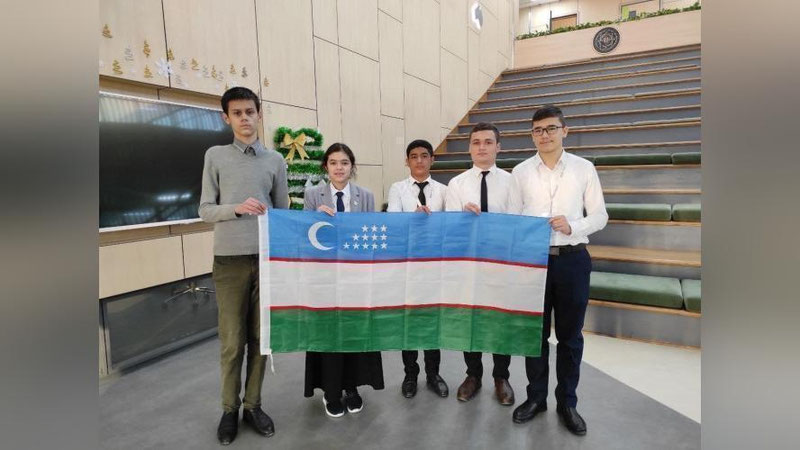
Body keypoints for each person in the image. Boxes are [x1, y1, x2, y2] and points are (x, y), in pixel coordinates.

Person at [510, 105, 608, 436]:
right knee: (534, 335)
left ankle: (568, 403)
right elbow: (512, 218)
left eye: (551, 128)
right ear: (532, 135)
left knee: (570, 337)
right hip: (534, 261)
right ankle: (536, 398)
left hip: (572, 260)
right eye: (538, 130)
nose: (545, 135)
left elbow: (600, 215)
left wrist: (573, 225)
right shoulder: (520, 172)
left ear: (565, 131)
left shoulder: (584, 168)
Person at [198, 87, 289, 445]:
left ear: (259, 114)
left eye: (250, 111)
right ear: (227, 118)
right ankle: (229, 410)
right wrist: (236, 208)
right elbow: (205, 210)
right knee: (232, 342)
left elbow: (282, 213)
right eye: (237, 113)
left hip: (265, 260)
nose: (245, 118)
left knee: (260, 339)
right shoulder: (215, 156)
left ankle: (253, 405)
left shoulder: (275, 160)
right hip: (230, 262)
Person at [303, 143, 385, 418]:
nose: (339, 168)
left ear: (352, 166)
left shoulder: (366, 196)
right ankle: (330, 390)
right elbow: (305, 236)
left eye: (345, 162)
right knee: (328, 332)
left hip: (356, 277)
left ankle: (351, 386)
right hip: (325, 277)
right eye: (334, 162)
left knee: (353, 330)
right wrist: (315, 219)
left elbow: (373, 235)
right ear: (325, 166)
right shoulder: (313, 195)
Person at [445, 122, 521, 406]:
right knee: (471, 321)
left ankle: (501, 376)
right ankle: (473, 374)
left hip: (501, 263)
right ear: (469, 147)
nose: (482, 147)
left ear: (498, 147)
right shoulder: (457, 184)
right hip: (469, 264)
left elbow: (517, 222)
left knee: (500, 320)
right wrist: (462, 218)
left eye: (488, 142)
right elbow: (450, 228)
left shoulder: (512, 182)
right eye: (476, 142)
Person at [386, 139, 449, 399]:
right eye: (414, 156)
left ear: (432, 159)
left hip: (435, 265)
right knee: (409, 321)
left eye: (424, 155)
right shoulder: (397, 188)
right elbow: (393, 222)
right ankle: (410, 374)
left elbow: (450, 224)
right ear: (407, 161)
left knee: (432, 321)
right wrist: (413, 216)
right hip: (407, 264)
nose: (419, 160)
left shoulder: (444, 190)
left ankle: (433, 374)